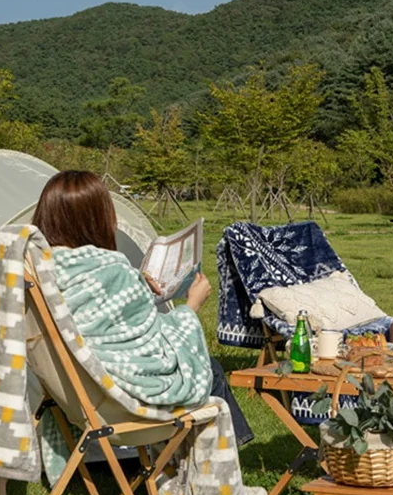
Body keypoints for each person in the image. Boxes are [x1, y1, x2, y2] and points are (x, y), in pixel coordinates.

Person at [31, 169, 254, 446]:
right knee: (209, 368)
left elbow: (102, 326)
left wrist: (133, 289)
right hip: (119, 398)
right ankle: (217, 465)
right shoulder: (109, 268)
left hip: (74, 392)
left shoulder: (42, 268)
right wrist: (191, 307)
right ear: (96, 219)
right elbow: (150, 351)